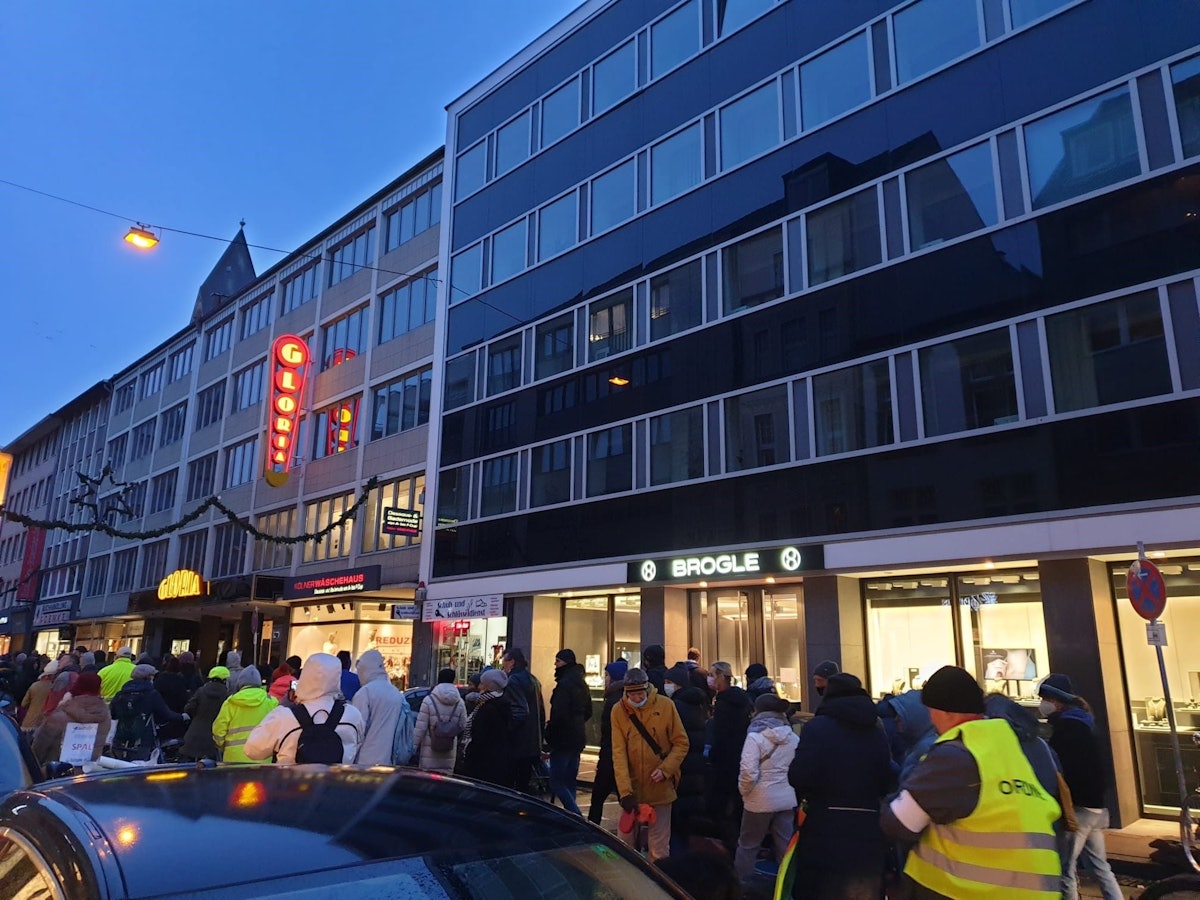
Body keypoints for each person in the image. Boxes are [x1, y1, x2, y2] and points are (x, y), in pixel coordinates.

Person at [881, 665, 1061, 898]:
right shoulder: (1009, 745)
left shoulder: (953, 755)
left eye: (931, 711)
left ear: (945, 712)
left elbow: (899, 822)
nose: (931, 719)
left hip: (967, 891)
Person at [788, 672, 894, 898]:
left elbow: (799, 776)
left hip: (824, 827)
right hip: (869, 828)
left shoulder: (817, 728)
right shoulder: (876, 730)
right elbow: (887, 778)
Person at [1039, 673, 1123, 900]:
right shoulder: (1084, 723)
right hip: (1096, 807)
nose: (1042, 704)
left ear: (1055, 700)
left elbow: (1060, 770)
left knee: (1065, 870)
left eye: (1044, 698)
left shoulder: (1066, 729)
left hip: (1078, 809)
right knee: (1101, 867)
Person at [610, 668, 689, 862]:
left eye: (640, 693)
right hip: (633, 788)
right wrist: (625, 792)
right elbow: (618, 753)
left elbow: (681, 743)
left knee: (659, 848)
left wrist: (665, 770)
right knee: (624, 842)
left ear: (647, 689)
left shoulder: (666, 706)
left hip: (661, 788)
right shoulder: (619, 710)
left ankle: (659, 885)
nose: (637, 698)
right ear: (626, 692)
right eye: (632, 694)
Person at [245, 652, 364, 764]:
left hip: (291, 784)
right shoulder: (353, 715)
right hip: (336, 785)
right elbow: (357, 748)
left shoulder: (283, 716)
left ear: (305, 676)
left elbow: (252, 750)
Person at [735, 693, 799, 883]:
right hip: (786, 799)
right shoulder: (793, 737)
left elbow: (748, 771)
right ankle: (786, 887)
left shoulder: (755, 737)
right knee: (785, 847)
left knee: (748, 845)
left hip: (759, 799)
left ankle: (741, 886)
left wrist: (744, 791)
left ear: (758, 711)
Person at [706, 660, 752, 851]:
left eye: (711, 674)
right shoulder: (742, 700)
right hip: (741, 759)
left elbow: (721, 736)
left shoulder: (725, 704)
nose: (709, 678)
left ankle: (729, 847)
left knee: (722, 808)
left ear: (719, 677)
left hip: (725, 762)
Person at [664, 661, 708, 853]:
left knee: (674, 825)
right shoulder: (698, 706)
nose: (665, 685)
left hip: (679, 772)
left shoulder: (675, 707)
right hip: (695, 773)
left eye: (668, 681)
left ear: (677, 683)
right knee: (685, 826)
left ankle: (675, 868)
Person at [544, 648, 592, 814]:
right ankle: (572, 815)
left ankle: (574, 815)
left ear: (565, 663)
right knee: (570, 779)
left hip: (563, 738)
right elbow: (589, 711)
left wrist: (550, 733)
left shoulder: (564, 685)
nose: (555, 665)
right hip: (577, 735)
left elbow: (559, 713)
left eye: (558, 661)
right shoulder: (582, 683)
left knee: (557, 780)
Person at [109, 664, 187, 761]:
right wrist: (183, 717)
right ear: (149, 677)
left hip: (121, 737)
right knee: (138, 768)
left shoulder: (121, 694)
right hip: (143, 739)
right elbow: (167, 714)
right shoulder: (152, 694)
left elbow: (113, 714)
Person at [31, 672, 111, 766]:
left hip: (57, 772)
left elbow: (39, 748)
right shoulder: (105, 715)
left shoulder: (61, 715)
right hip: (88, 770)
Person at [588, 658, 628, 824]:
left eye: (606, 675)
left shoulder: (613, 702)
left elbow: (609, 734)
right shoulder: (623, 698)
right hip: (619, 757)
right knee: (624, 798)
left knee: (598, 797)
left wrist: (604, 759)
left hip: (611, 757)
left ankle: (592, 829)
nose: (604, 679)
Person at [501, 647, 546, 792]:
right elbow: (541, 712)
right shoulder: (533, 679)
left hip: (518, 743)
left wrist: (507, 728)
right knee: (523, 785)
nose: (503, 664)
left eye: (504, 660)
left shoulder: (513, 680)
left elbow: (520, 711)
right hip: (532, 742)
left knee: (512, 786)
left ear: (512, 662)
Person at [351, 649, 406, 766]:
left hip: (364, 761)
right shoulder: (396, 693)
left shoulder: (365, 693)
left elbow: (357, 732)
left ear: (365, 670)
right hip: (389, 761)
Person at [459, 668, 512, 786]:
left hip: (485, 762)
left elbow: (480, 736)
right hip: (494, 760)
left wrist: (470, 752)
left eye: (482, 683)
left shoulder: (488, 707)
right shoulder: (496, 703)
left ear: (488, 686)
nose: (479, 686)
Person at [213, 666, 277, 763]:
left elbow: (219, 730)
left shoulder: (231, 702)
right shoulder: (272, 702)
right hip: (263, 758)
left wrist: (221, 746)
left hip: (233, 758)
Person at [412, 667, 467, 774]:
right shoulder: (459, 702)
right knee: (445, 786)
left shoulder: (429, 700)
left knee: (427, 784)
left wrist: (412, 748)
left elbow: (420, 728)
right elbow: (463, 724)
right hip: (449, 752)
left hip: (429, 753)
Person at [180, 666, 231, 761]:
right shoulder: (227, 696)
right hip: (213, 739)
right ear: (224, 680)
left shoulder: (201, 691)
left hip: (194, 735)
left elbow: (188, 708)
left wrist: (196, 716)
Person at [18, 659, 57, 733]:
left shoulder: (35, 685)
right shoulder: (54, 688)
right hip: (44, 723)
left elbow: (24, 703)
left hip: (29, 721)